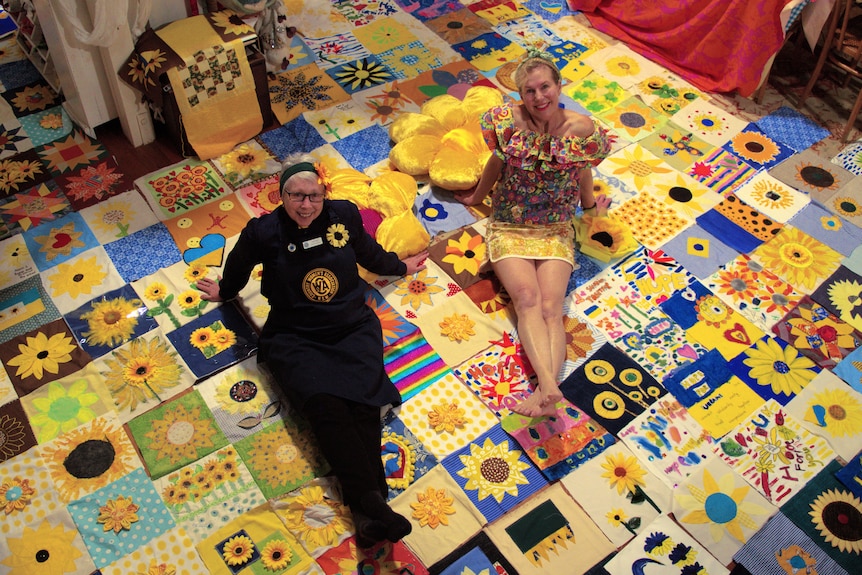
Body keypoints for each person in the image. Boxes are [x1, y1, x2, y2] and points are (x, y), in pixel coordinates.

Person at [197, 153, 428, 548]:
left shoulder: (345, 215)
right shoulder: (263, 231)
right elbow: (237, 264)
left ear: (324, 193)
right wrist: (226, 291)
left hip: (351, 327)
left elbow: (368, 253)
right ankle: (374, 505)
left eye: (314, 196)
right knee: (326, 408)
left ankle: (371, 509)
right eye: (296, 196)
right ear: (282, 194)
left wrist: (401, 267)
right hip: (296, 335)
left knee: (362, 405)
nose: (306, 205)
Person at [453, 49, 613, 418]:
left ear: (559, 86)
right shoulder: (507, 122)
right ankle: (549, 385)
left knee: (550, 307)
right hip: (510, 221)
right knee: (526, 299)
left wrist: (589, 209)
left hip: (555, 226)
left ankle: (544, 391)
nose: (539, 97)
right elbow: (497, 161)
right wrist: (478, 196)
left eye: (545, 87)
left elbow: (583, 170)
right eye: (529, 91)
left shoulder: (582, 129)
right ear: (519, 95)